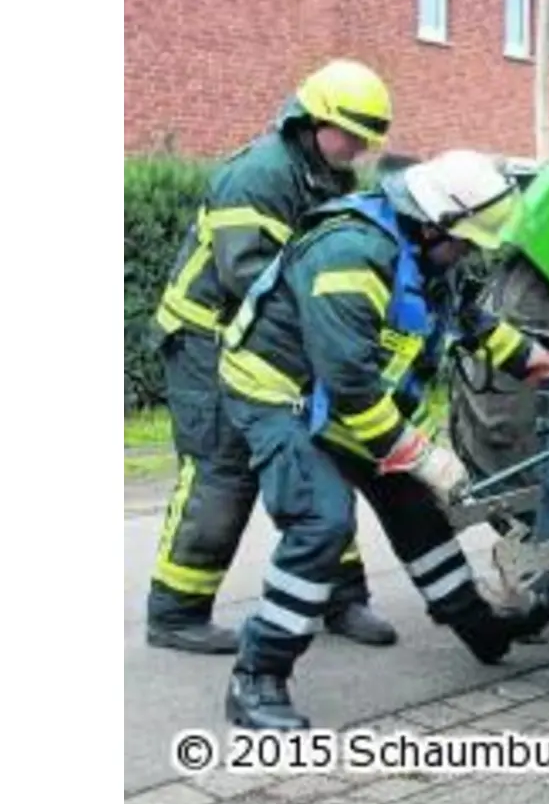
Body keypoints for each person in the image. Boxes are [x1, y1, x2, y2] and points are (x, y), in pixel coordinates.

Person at [215, 149, 549, 729]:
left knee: (418, 513)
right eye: (468, 242)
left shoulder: (433, 256)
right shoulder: (348, 254)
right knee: (322, 522)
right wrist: (426, 457)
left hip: (344, 397)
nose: (473, 254)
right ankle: (256, 677)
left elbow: (475, 326)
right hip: (281, 396)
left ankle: (481, 628)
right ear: (435, 223)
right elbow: (352, 388)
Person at [146, 59, 400, 654]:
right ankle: (176, 612)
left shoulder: (329, 177)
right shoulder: (259, 174)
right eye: (353, 133)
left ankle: (338, 597)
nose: (361, 148)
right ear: (315, 121)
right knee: (222, 470)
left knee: (319, 458)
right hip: (206, 339)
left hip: (271, 339)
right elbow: (247, 274)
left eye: (369, 137)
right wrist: (326, 325)